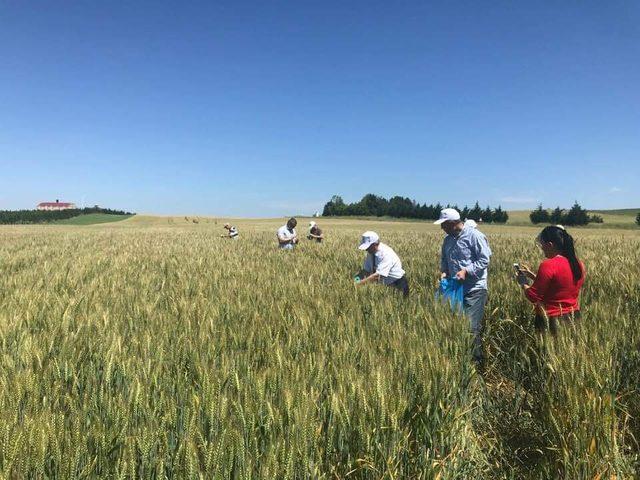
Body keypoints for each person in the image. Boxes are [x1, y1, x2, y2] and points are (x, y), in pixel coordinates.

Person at [436, 208, 492, 363]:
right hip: (454, 288)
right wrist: (444, 272)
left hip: (475, 288)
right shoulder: (448, 240)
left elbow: (484, 260)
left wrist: (466, 271)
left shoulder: (475, 236)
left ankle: (476, 364)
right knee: (452, 325)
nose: (442, 228)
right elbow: (444, 260)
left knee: (470, 328)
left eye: (444, 225)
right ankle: (459, 360)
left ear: (453, 223)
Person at [516, 225, 585, 334]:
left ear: (550, 245)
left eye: (542, 244)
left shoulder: (548, 265)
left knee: (547, 351)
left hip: (551, 321)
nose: (541, 248)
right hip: (574, 319)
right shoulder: (578, 264)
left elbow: (533, 296)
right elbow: (561, 285)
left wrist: (523, 283)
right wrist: (534, 276)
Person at [355, 231, 409, 297]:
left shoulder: (386, 254)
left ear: (375, 244)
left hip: (398, 285)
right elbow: (366, 271)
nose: (366, 249)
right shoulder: (371, 252)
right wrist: (355, 280)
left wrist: (358, 284)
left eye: (368, 247)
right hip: (385, 286)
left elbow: (377, 276)